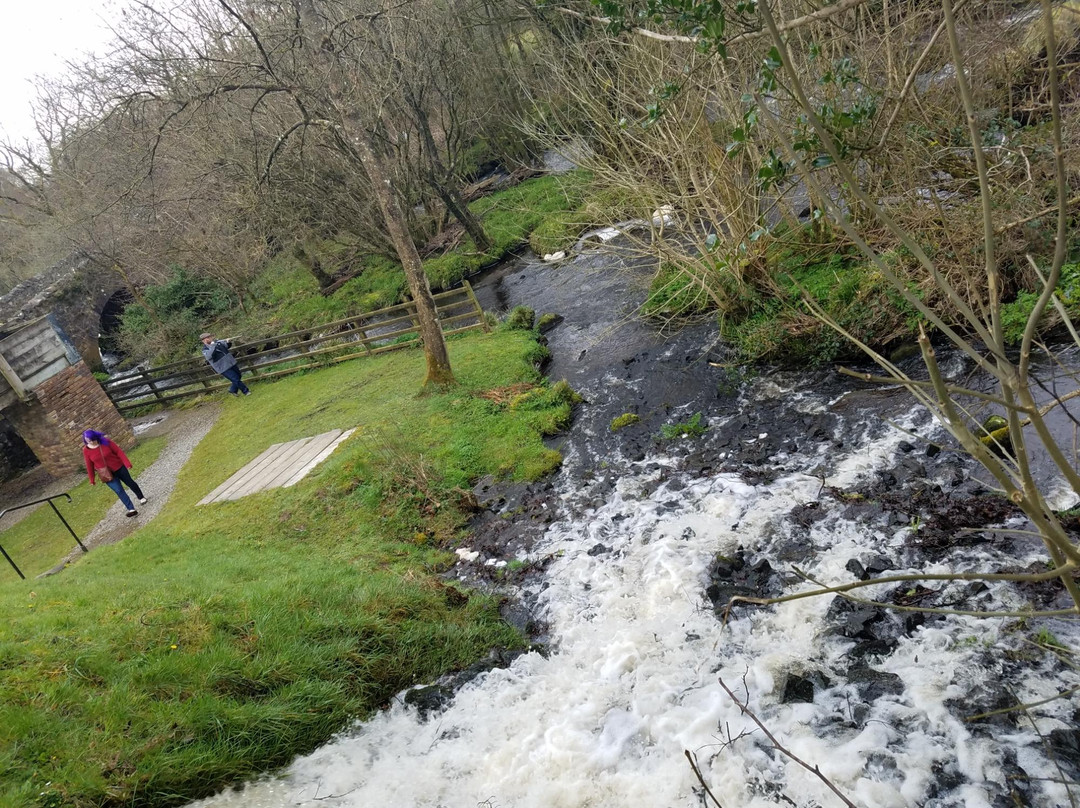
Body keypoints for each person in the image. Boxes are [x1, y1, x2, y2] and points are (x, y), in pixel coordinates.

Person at [82, 429, 146, 517]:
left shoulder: (106, 442)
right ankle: (131, 509)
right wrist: (92, 479)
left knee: (130, 483)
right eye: (88, 441)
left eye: (93, 440)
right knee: (119, 490)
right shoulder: (86, 450)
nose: (91, 442)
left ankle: (141, 497)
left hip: (119, 467)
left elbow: (118, 451)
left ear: (96, 437)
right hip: (106, 474)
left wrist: (127, 463)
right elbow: (89, 465)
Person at [200, 332, 250, 396]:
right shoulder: (205, 349)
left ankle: (232, 390)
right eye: (208, 337)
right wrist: (212, 345)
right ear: (204, 340)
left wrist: (228, 342)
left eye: (210, 337)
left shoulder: (218, 342)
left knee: (238, 376)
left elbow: (226, 346)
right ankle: (246, 391)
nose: (210, 338)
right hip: (222, 367)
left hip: (230, 362)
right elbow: (209, 356)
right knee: (235, 379)